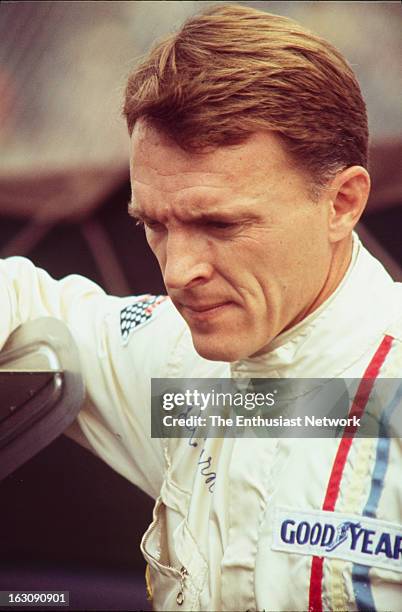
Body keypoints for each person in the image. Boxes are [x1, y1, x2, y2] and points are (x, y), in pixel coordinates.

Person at [1, 4, 401, 611]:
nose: (178, 272)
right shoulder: (176, 364)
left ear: (342, 203)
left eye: (220, 223)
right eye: (154, 224)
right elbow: (19, 297)